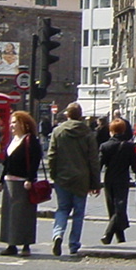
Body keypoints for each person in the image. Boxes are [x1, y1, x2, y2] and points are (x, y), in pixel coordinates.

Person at [46, 103, 100, 256]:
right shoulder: (88, 133)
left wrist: (53, 174)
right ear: (80, 115)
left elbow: (52, 156)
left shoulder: (58, 131)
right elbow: (93, 160)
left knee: (62, 209)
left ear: (67, 115)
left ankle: (58, 234)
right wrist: (95, 183)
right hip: (82, 178)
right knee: (78, 213)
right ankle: (73, 244)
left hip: (62, 177)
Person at [0, 110, 42, 256]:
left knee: (24, 215)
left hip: (23, 183)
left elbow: (35, 161)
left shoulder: (30, 140)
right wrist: (0, 180)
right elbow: (7, 163)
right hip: (9, 182)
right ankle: (11, 244)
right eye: (11, 122)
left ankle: (25, 244)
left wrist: (30, 179)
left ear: (24, 123)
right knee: (9, 214)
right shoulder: (13, 140)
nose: (11, 125)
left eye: (15, 122)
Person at [99, 118, 136, 244]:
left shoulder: (105, 146)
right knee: (120, 208)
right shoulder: (129, 146)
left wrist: (94, 180)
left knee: (112, 208)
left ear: (111, 131)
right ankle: (112, 235)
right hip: (122, 179)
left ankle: (116, 237)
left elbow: (99, 165)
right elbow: (134, 165)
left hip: (109, 179)